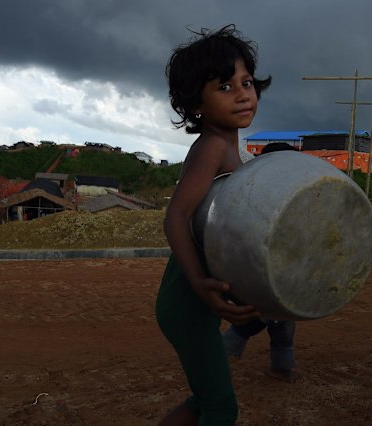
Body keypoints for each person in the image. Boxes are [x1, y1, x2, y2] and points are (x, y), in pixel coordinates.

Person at [155, 25, 271, 425]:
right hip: (187, 301)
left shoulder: (229, 146)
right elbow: (176, 217)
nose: (242, 93)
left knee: (205, 402)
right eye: (224, 86)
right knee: (221, 408)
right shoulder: (213, 146)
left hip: (193, 298)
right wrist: (201, 287)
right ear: (196, 105)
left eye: (246, 82)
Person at [221, 141, 303, 385]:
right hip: (257, 265)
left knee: (282, 319)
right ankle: (223, 352)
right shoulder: (254, 190)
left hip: (283, 265)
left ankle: (281, 365)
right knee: (263, 314)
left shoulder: (294, 189)